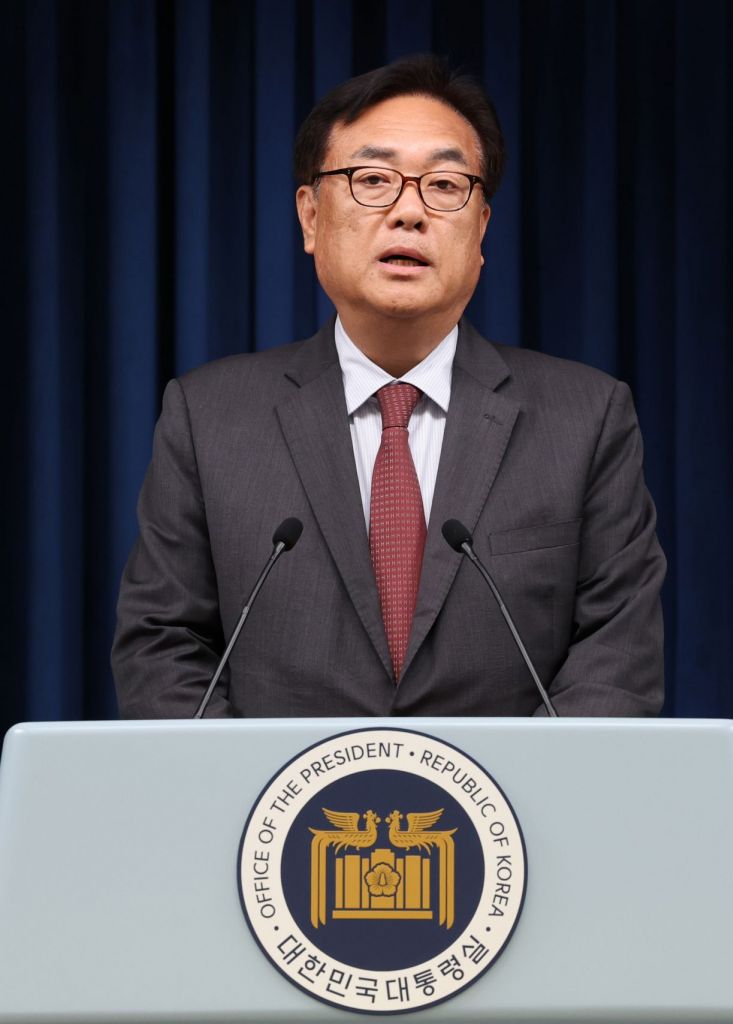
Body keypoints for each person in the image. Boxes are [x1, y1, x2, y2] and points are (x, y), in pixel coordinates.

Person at [112, 55, 665, 719]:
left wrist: (501, 788)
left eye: (444, 185)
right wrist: (267, 786)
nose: (409, 212)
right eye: (372, 179)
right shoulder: (209, 418)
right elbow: (164, 646)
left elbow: (617, 654)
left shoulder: (586, 419)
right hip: (275, 792)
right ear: (310, 217)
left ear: (481, 229)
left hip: (509, 793)